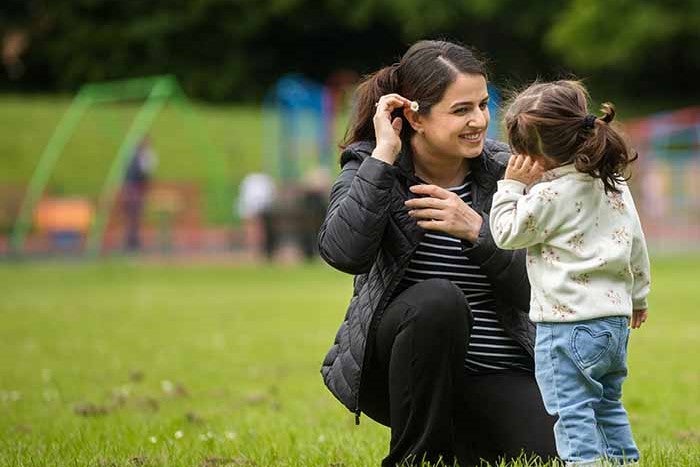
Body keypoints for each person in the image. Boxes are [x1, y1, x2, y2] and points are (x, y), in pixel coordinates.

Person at [317, 40, 557, 467]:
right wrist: (384, 155)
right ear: (414, 116)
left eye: (483, 105)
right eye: (461, 109)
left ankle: (463, 440)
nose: (479, 121)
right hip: (402, 373)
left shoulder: (509, 172)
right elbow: (342, 253)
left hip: (498, 368)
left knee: (552, 456)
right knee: (438, 300)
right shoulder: (371, 166)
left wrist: (480, 233)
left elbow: (542, 291)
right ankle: (419, 458)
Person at [490, 80, 651, 466]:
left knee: (571, 410)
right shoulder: (613, 183)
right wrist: (639, 298)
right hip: (613, 322)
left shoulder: (548, 197)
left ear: (534, 155)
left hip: (566, 327)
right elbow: (637, 246)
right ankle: (623, 460)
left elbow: (504, 233)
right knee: (608, 405)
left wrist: (511, 187)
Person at [123, 136, 157, 251]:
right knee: (133, 214)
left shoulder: (144, 156)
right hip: (134, 187)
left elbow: (146, 172)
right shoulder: (135, 156)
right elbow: (139, 173)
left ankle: (133, 240)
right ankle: (132, 240)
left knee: (135, 215)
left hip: (138, 188)